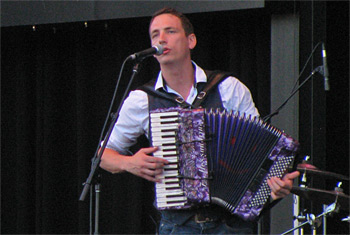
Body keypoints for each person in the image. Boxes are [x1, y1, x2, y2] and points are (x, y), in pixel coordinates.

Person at [100, 7, 300, 234]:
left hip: (232, 225)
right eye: (155, 34)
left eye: (170, 31)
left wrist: (273, 185)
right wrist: (129, 163)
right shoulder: (142, 100)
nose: (162, 39)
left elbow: (261, 150)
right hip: (177, 227)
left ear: (191, 40)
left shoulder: (228, 88)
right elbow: (102, 156)